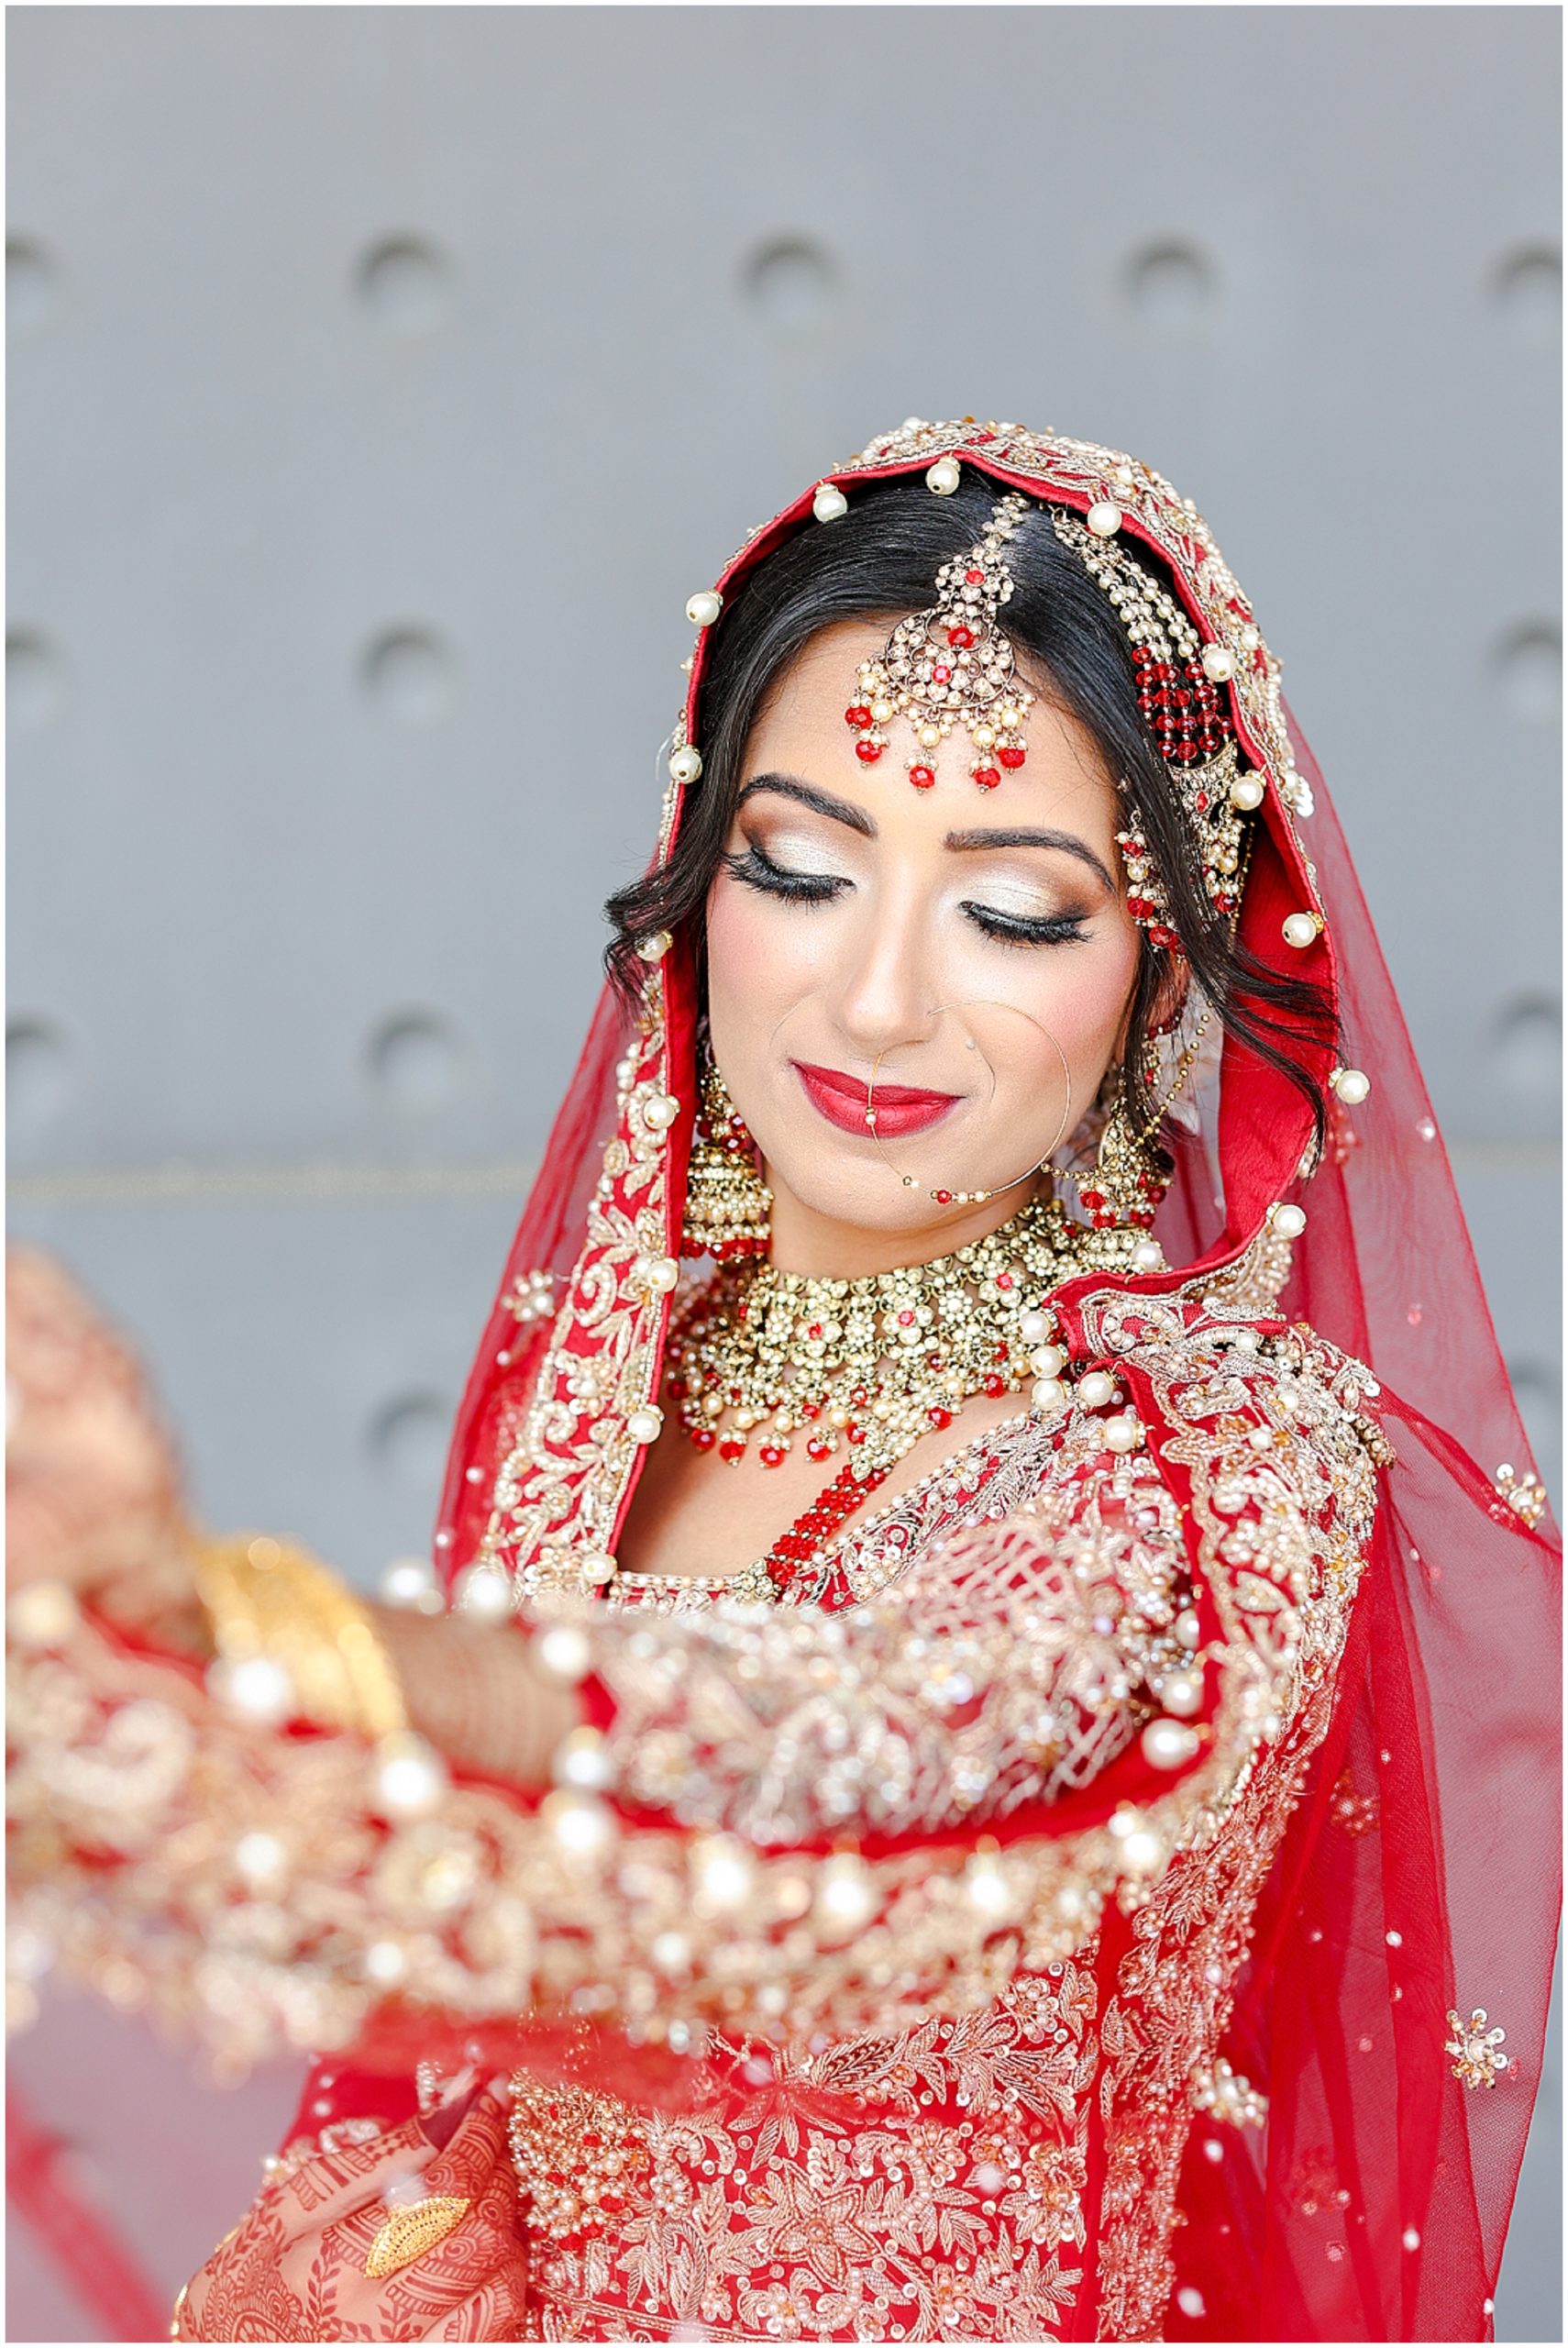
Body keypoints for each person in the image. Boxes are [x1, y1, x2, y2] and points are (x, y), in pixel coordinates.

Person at [6, 417, 1559, 2344]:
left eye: (1009, 908)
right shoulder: (603, 1390)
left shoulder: (1220, 1457)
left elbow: (852, 1757)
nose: (879, 995)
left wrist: (222, 1645)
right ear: (702, 875)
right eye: (805, 865)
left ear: (1160, 973)